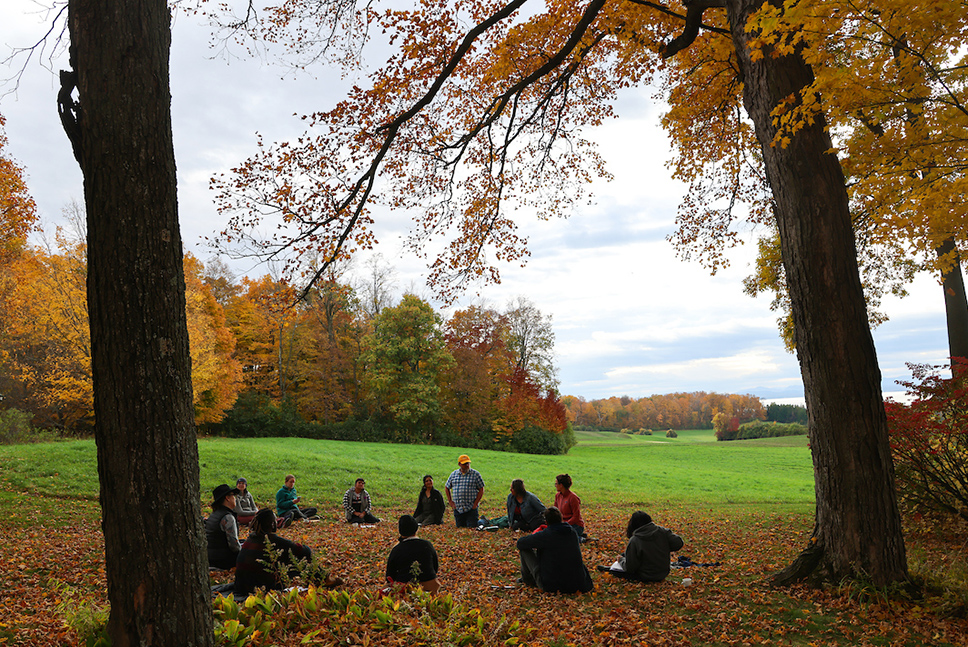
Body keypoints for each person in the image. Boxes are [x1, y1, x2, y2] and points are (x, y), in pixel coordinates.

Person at [235, 509, 316, 595]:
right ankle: (321, 580)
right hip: (261, 588)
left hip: (241, 586)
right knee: (299, 562)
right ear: (272, 524)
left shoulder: (250, 540)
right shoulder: (275, 541)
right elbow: (304, 551)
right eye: (275, 520)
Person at [516, 507, 593, 594]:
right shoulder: (572, 532)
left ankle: (527, 580)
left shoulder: (546, 535)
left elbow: (520, 543)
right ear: (561, 518)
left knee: (524, 550)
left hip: (552, 585)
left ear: (546, 522)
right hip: (578, 583)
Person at [603, 511, 684, 582]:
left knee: (618, 567)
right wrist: (662, 547)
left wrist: (621, 560)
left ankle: (612, 568)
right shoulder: (662, 531)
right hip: (663, 573)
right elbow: (679, 543)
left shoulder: (635, 540)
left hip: (645, 575)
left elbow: (630, 568)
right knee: (625, 554)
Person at [386, 514, 440, 593]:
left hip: (405, 589)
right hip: (429, 587)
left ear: (400, 531)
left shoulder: (397, 549)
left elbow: (389, 576)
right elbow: (435, 567)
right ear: (416, 529)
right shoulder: (427, 545)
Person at [206, 483, 242, 570]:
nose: (235, 498)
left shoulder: (214, 514)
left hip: (211, 557)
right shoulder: (228, 517)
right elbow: (234, 547)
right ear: (227, 498)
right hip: (223, 560)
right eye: (233, 496)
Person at [445, 454, 485, 528]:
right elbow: (447, 487)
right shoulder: (454, 474)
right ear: (459, 464)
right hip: (458, 508)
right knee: (460, 528)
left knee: (472, 527)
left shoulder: (475, 474)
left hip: (471, 507)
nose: (467, 465)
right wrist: (450, 501)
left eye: (468, 463)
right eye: (464, 464)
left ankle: (483, 521)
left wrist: (475, 503)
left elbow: (481, 489)